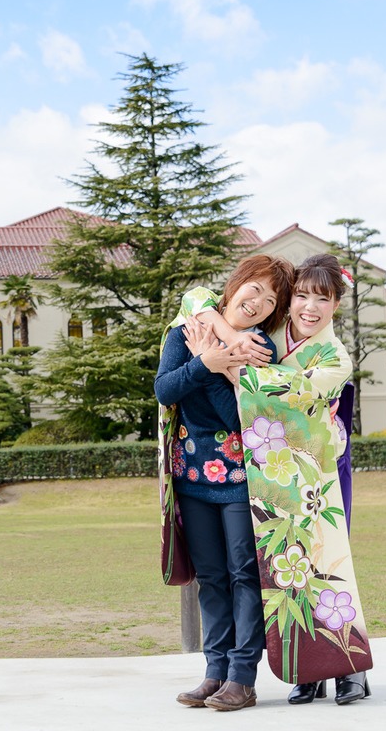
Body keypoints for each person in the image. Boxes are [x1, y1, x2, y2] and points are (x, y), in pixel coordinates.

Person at [189, 253, 370, 706]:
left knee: (327, 564)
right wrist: (229, 338)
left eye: (322, 300)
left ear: (336, 306)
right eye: (303, 296)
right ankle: (307, 671)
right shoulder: (269, 331)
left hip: (317, 471)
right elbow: (194, 298)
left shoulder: (335, 358)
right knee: (285, 569)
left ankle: (352, 669)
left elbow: (284, 394)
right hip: (269, 468)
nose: (310, 307)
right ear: (288, 302)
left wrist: (213, 359)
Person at [154, 254, 294, 712]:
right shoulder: (186, 328)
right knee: (211, 577)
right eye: (254, 288)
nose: (257, 302)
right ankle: (214, 672)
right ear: (234, 287)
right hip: (191, 477)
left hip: (240, 480)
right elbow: (164, 389)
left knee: (243, 574)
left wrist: (207, 364)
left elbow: (239, 419)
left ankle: (242, 678)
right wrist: (206, 361)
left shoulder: (259, 352)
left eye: (269, 300)